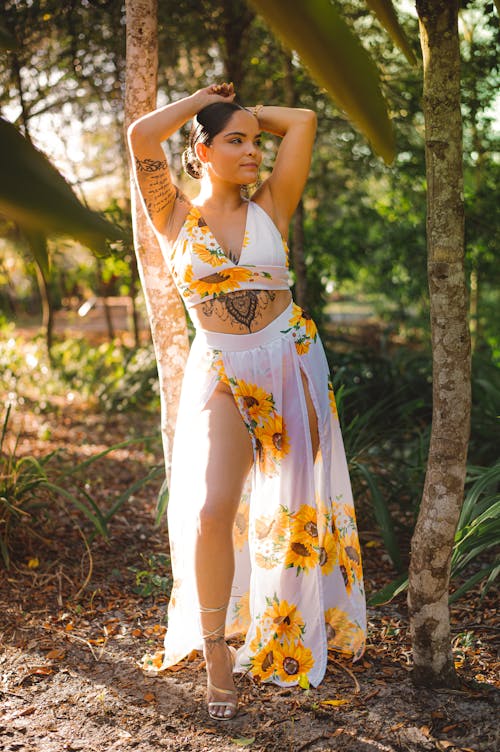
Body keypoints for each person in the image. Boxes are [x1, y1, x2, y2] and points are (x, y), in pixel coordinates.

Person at [127, 83, 366, 721]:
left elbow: (306, 119)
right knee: (211, 510)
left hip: (290, 359)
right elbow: (143, 138)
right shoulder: (173, 215)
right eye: (235, 142)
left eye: (256, 143)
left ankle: (286, 629)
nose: (253, 151)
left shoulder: (273, 205)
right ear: (200, 152)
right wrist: (203, 100)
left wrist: (247, 117)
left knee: (294, 507)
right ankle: (213, 653)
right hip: (223, 371)